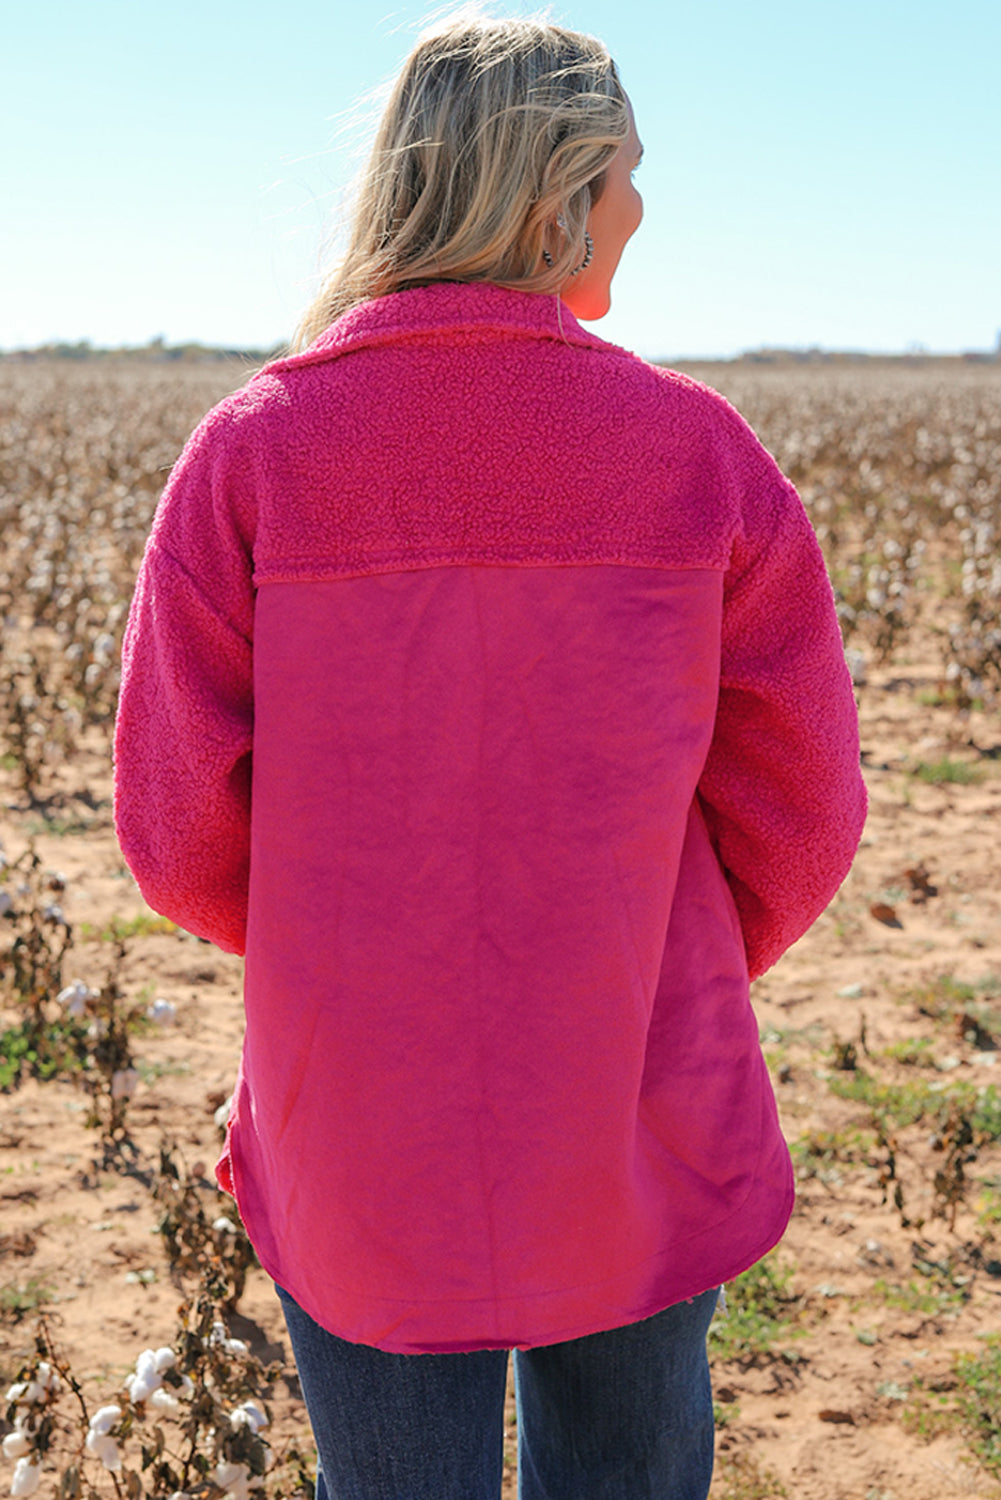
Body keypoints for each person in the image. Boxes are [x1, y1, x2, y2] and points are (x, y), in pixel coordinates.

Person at [113, 13, 867, 1499]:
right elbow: (802, 803)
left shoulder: (255, 451)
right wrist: (669, 958)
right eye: (629, 173)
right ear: (561, 186)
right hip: (639, 1086)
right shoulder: (694, 452)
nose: (641, 209)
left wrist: (333, 956)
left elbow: (173, 824)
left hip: (357, 1110)